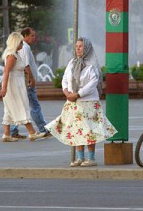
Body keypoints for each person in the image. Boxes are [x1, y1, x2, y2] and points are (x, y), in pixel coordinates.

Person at [45, 37, 117, 167]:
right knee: (76, 130)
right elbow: (65, 79)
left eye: (81, 46)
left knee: (89, 130)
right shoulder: (72, 63)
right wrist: (67, 92)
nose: (77, 48)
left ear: (87, 48)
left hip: (88, 102)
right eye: (77, 46)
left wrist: (78, 94)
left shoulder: (92, 65)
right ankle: (80, 158)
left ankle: (91, 158)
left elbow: (92, 83)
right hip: (73, 102)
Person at [0, 32, 43, 142]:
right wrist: (4, 88)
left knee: (9, 108)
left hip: (15, 83)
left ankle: (6, 134)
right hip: (13, 84)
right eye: (20, 42)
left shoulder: (14, 54)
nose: (22, 44)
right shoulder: (12, 56)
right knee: (21, 106)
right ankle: (32, 132)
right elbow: (6, 72)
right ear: (15, 42)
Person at [10, 27, 51, 139]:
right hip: (27, 82)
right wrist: (31, 79)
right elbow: (26, 65)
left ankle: (13, 131)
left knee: (21, 105)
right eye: (32, 35)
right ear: (25, 36)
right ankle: (43, 129)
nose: (34, 38)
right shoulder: (24, 47)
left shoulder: (23, 47)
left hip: (24, 81)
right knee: (34, 106)